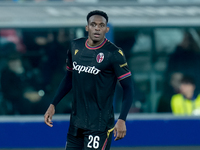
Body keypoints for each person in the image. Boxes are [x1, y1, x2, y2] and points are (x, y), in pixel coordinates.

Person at [44, 10, 134, 150]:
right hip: (76, 123)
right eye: (93, 24)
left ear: (106, 29)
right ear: (87, 27)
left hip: (99, 125)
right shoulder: (75, 46)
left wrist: (122, 119)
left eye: (101, 25)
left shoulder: (114, 54)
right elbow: (69, 78)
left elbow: (128, 88)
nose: (97, 28)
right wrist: (53, 104)